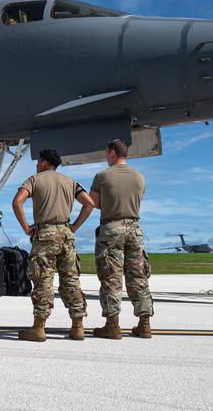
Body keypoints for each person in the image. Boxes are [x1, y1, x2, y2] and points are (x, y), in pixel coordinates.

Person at [12, 149, 95, 342]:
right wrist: (74, 226)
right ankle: (78, 327)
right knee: (71, 280)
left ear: (42, 162)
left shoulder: (34, 180)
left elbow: (17, 202)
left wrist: (26, 228)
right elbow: (89, 203)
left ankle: (39, 328)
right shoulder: (70, 181)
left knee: (43, 280)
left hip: (45, 234)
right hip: (66, 234)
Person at [89, 139, 154, 339]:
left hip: (111, 228)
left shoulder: (102, 176)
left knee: (111, 277)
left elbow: (94, 202)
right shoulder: (139, 177)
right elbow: (138, 200)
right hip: (135, 229)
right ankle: (144, 324)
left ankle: (112, 325)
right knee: (138, 277)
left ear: (111, 153)